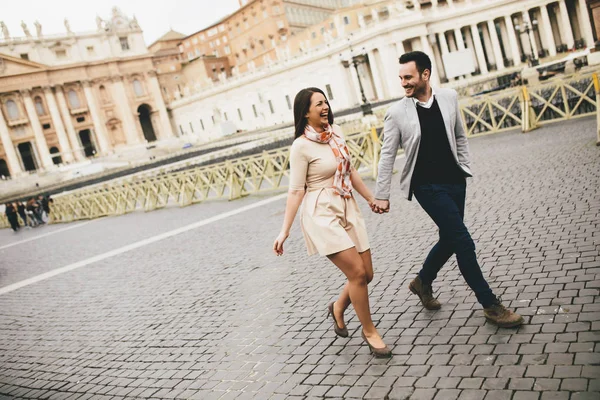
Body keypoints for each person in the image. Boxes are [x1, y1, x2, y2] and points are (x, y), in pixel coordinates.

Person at [371, 51, 523, 328]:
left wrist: (463, 166)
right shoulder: (396, 113)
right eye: (401, 78)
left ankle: (422, 281)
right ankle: (490, 305)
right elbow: (387, 156)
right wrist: (381, 194)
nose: (403, 82)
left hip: (454, 181)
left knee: (450, 239)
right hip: (426, 186)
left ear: (425, 75)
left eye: (408, 77)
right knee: (463, 241)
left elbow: (460, 136)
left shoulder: (449, 97)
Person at [273, 87, 392, 357]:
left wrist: (370, 198)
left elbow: (349, 171)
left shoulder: (336, 133)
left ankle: (338, 307)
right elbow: (296, 191)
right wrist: (284, 231)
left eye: (326, 101)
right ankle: (370, 331)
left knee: (367, 274)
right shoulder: (301, 146)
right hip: (321, 211)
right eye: (318, 104)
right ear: (305, 112)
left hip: (346, 204)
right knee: (357, 274)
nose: (325, 107)